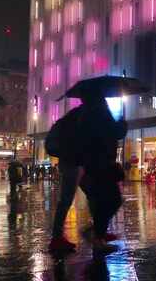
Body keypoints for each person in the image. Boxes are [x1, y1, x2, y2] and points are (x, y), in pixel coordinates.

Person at [78, 92, 127, 254]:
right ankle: (97, 237)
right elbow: (116, 132)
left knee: (102, 202)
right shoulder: (100, 113)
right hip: (103, 165)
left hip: (93, 166)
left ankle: (97, 235)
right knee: (112, 200)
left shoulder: (85, 115)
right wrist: (121, 120)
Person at [46, 105, 86, 252]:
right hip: (73, 163)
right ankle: (57, 238)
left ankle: (58, 237)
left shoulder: (71, 117)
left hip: (70, 162)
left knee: (68, 199)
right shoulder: (79, 118)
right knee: (66, 200)